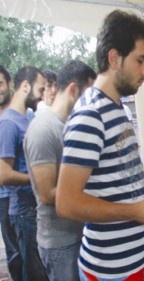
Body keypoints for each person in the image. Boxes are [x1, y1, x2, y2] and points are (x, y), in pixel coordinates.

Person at [55, 10, 144, 281]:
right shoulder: (90, 114)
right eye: (140, 60)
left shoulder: (117, 110)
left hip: (136, 262)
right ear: (114, 58)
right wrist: (134, 211)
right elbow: (66, 202)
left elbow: (121, 176)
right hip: (109, 272)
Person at [23, 60, 96, 281]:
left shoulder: (70, 124)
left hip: (79, 231)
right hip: (60, 242)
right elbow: (46, 193)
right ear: (73, 90)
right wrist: (94, 191)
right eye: (89, 94)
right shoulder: (43, 130)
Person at [0, 66, 48, 281]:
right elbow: (4, 174)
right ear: (25, 86)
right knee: (32, 272)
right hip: (23, 210)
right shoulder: (9, 123)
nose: (41, 94)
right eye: (40, 88)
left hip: (32, 207)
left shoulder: (25, 119)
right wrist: (38, 179)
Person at [0, 65, 23, 281]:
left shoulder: (21, 115)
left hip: (20, 196)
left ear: (9, 85)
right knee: (14, 252)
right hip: (3, 196)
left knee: (26, 251)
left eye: (0, 83)